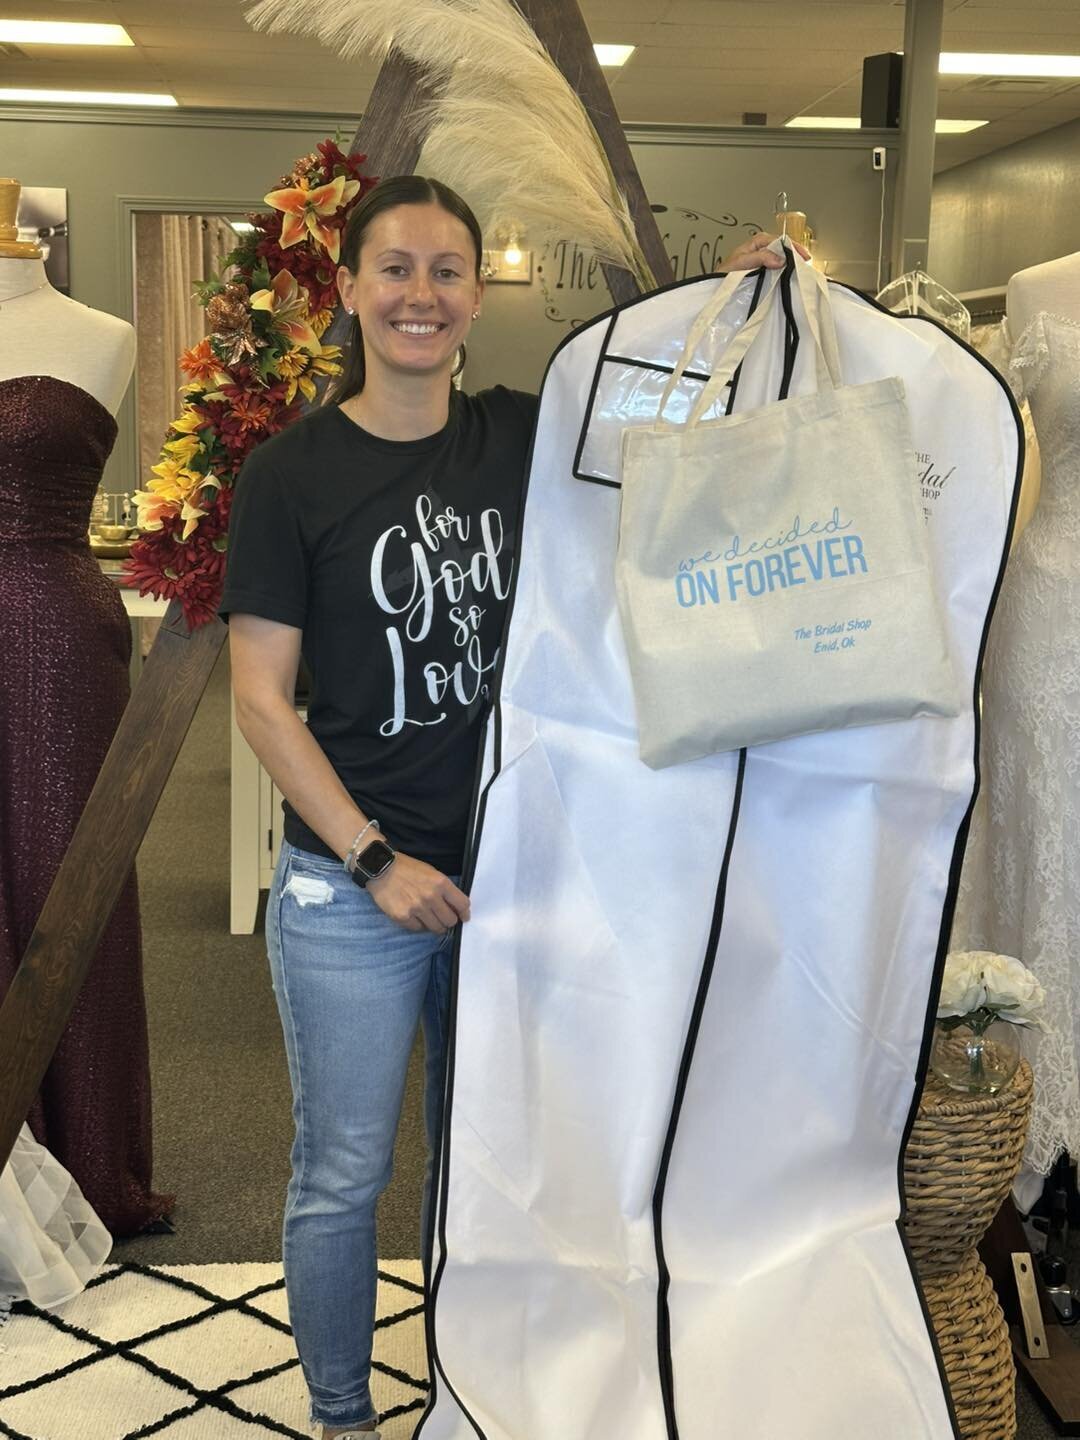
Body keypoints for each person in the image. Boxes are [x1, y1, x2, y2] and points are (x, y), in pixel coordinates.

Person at [221, 177, 788, 1440]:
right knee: (344, 1174)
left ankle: (478, 1390)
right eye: (395, 269)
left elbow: (683, 412)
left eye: (446, 271)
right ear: (352, 290)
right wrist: (376, 860)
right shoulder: (290, 475)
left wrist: (737, 298)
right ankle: (342, 1415)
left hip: (516, 881)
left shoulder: (525, 435)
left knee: (486, 1172)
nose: (421, 295)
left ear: (479, 294)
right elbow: (261, 702)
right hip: (351, 891)